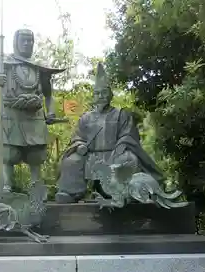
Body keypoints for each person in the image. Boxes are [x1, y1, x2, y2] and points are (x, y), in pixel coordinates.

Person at [55, 63, 163, 203]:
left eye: (104, 93)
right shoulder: (86, 118)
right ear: (93, 96)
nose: (100, 96)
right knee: (71, 161)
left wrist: (122, 145)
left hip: (114, 153)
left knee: (129, 159)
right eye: (97, 93)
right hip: (90, 155)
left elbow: (128, 134)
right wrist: (80, 145)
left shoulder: (121, 114)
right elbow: (78, 136)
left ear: (110, 94)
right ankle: (71, 193)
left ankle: (126, 192)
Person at [0, 28, 65, 195]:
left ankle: (36, 187)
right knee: (9, 153)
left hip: (34, 117)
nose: (28, 43)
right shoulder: (4, 63)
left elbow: (49, 95)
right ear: (16, 42)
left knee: (35, 155)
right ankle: (7, 187)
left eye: (31, 41)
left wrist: (50, 112)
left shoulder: (38, 68)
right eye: (24, 40)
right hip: (11, 115)